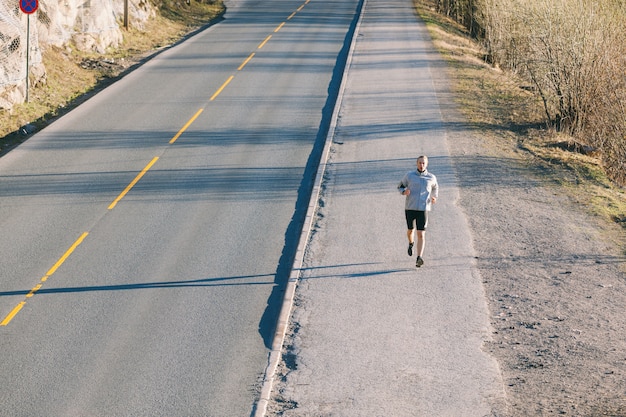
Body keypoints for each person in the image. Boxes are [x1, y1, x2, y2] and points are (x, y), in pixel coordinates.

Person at [397, 155, 438, 267]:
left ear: (427, 164)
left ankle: (419, 257)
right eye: (420, 163)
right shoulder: (409, 176)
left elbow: (435, 188)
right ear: (416, 163)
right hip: (410, 207)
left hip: (423, 209)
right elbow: (400, 186)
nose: (421, 165)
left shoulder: (431, 177)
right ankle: (411, 243)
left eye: (424, 163)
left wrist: (434, 197)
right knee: (411, 230)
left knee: (421, 234)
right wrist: (404, 191)